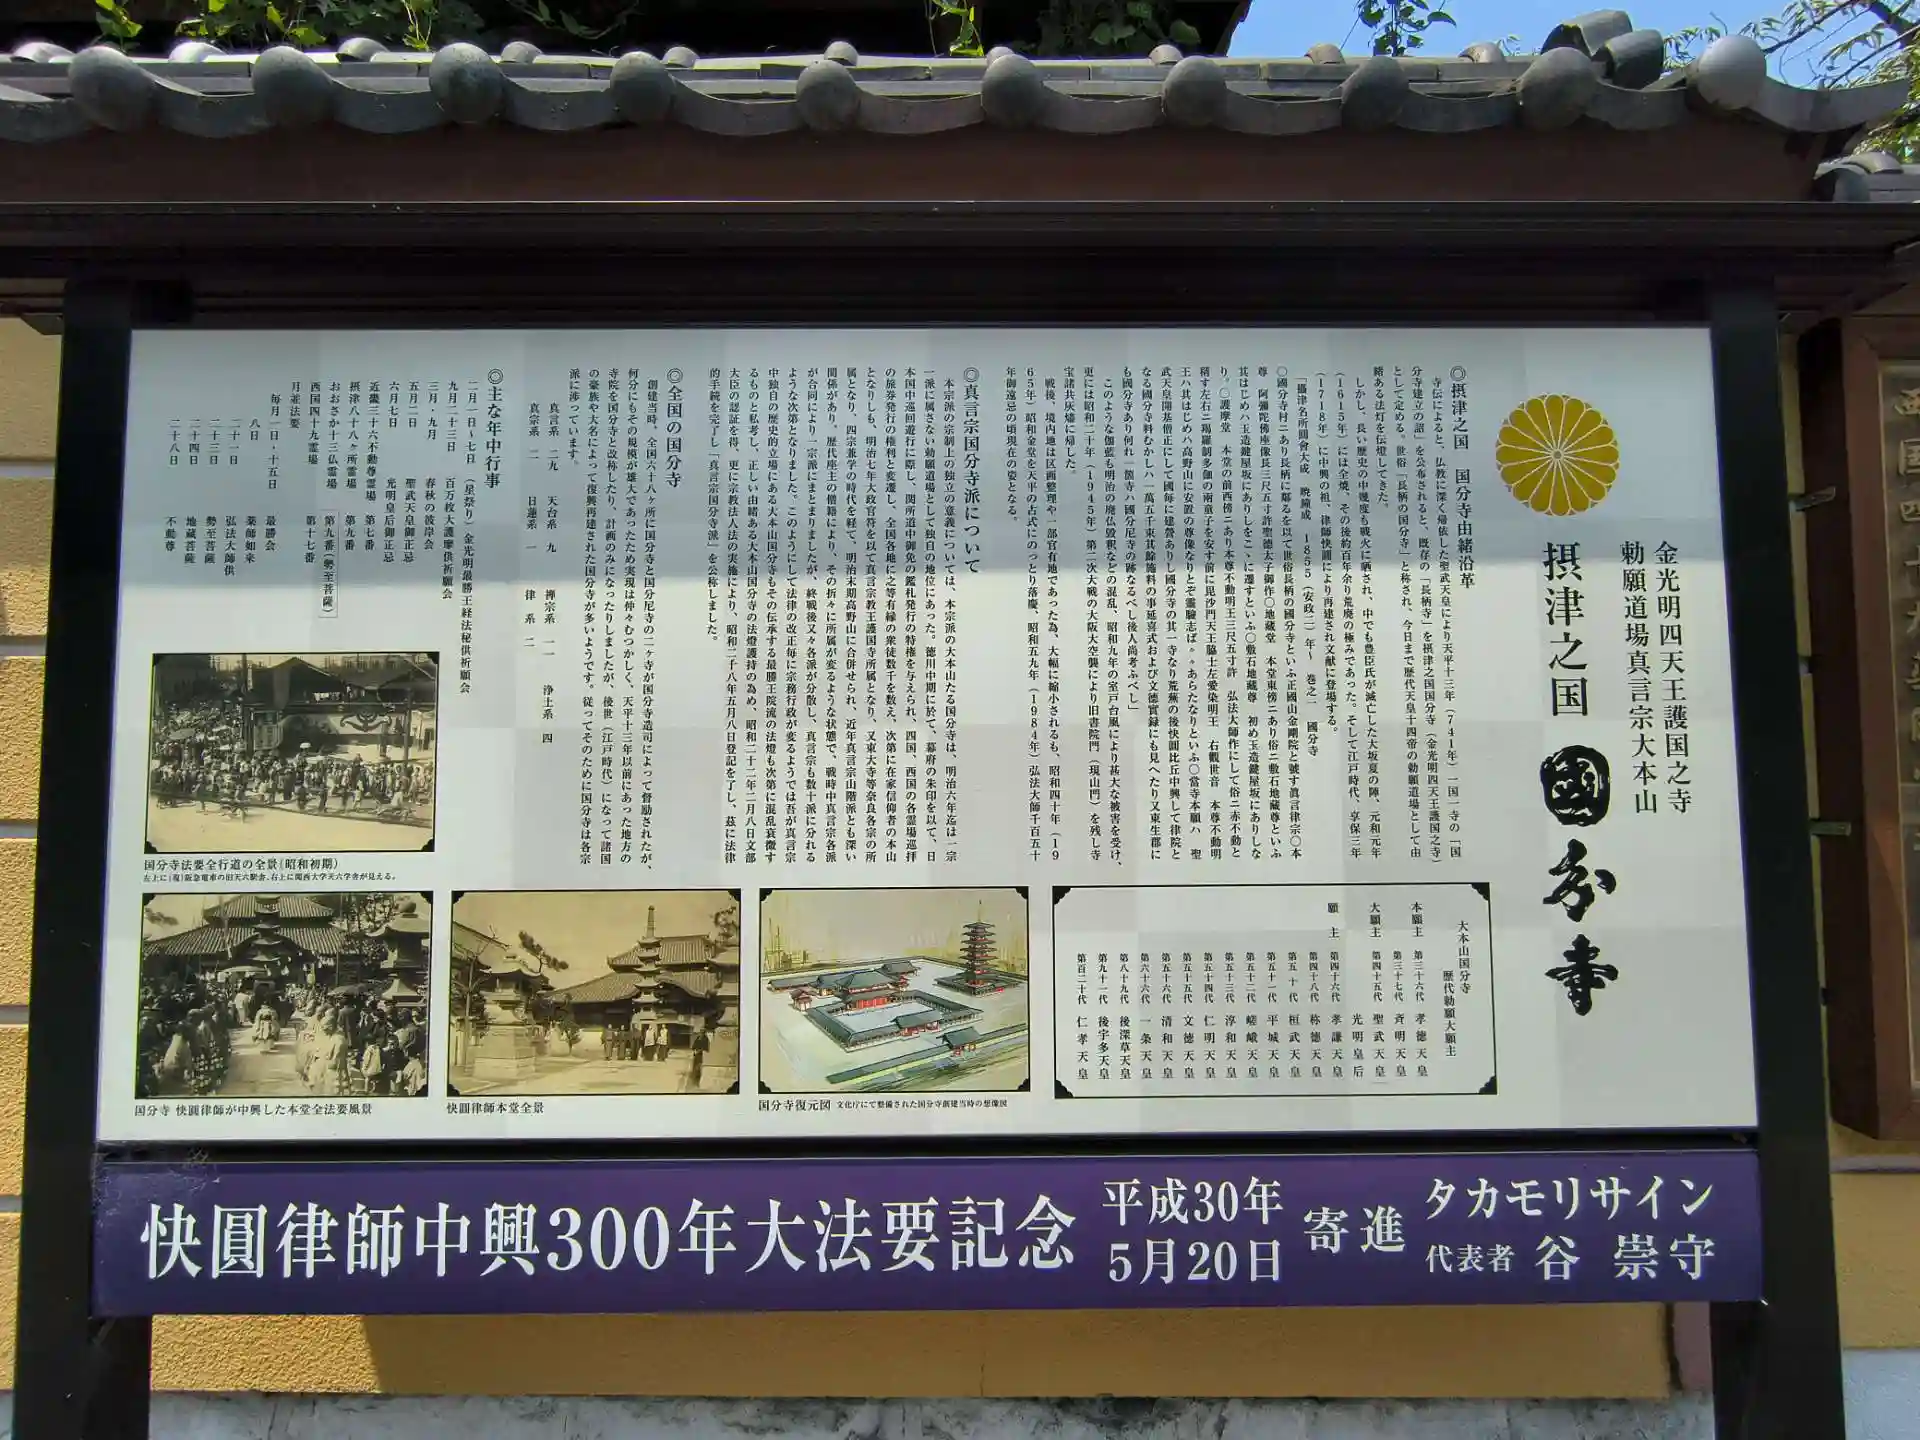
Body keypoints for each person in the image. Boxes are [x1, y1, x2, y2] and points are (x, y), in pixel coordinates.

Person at [690, 1024, 710, 1089]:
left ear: (704, 1032)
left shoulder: (706, 1039)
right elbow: (694, 1045)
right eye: (700, 1031)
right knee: (695, 1068)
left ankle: (698, 1082)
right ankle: (694, 1081)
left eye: (702, 1032)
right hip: (696, 1055)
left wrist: (700, 1051)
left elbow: (706, 1048)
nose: (701, 1033)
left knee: (699, 1068)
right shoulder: (698, 1037)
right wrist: (694, 1050)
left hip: (701, 1055)